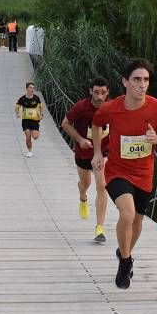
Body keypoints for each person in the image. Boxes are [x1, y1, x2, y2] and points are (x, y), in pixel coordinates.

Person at [93, 59, 157, 289]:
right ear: (125, 82)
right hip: (117, 171)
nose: (142, 85)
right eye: (137, 79)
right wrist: (98, 153)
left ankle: (123, 252)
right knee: (127, 213)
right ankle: (126, 262)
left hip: (144, 174)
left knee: (137, 222)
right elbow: (96, 124)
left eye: (146, 80)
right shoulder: (111, 107)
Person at [62, 77, 111, 242]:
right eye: (96, 92)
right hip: (83, 153)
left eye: (103, 93)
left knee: (101, 185)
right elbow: (65, 124)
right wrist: (80, 139)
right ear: (91, 91)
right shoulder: (81, 107)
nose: (99, 96)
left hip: (103, 152)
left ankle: (99, 228)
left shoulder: (112, 107)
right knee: (86, 184)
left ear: (108, 93)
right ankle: (82, 196)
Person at [14, 82, 43, 158]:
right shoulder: (22, 98)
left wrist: (41, 114)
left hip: (34, 120)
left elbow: (40, 107)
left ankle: (37, 131)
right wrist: (17, 113)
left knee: (35, 137)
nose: (32, 89)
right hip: (25, 120)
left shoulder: (36, 98)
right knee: (28, 135)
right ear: (27, 89)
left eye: (33, 88)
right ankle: (30, 151)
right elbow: (17, 106)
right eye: (30, 88)